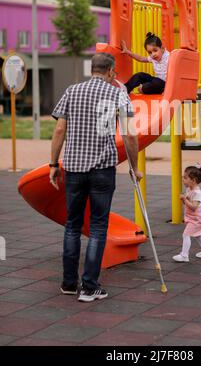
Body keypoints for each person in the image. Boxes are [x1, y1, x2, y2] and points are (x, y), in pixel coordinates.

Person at [49, 52, 142, 302]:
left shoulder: (72, 91)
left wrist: (52, 163)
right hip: (102, 169)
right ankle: (89, 287)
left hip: (75, 169)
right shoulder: (118, 94)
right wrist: (135, 166)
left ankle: (69, 283)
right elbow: (131, 135)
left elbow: (59, 128)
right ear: (111, 72)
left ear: (93, 69)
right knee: (99, 226)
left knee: (72, 225)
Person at [172, 165, 201, 263]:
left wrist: (184, 199)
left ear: (193, 180)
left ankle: (184, 255)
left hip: (196, 219)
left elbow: (194, 207)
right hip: (193, 218)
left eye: (185, 178)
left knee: (186, 235)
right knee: (198, 235)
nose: (183, 180)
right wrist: (184, 200)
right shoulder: (189, 189)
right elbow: (188, 203)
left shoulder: (198, 193)